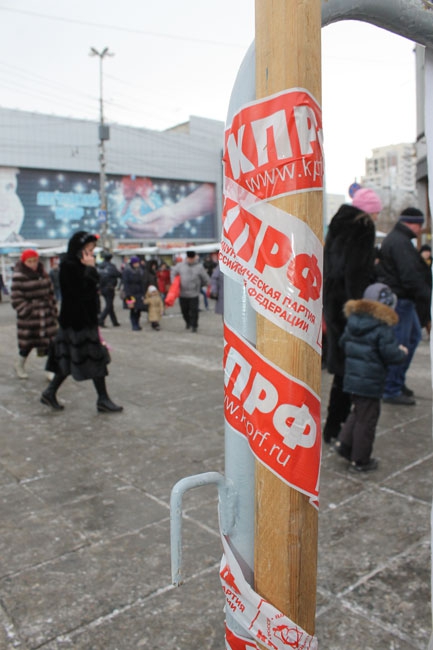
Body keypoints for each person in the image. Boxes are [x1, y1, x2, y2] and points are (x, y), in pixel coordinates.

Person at [322, 187, 383, 443]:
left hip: (332, 304)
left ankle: (333, 426)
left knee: (342, 369)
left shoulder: (337, 226)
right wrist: (361, 310)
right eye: (376, 211)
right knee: (351, 370)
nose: (378, 216)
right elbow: (355, 274)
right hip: (349, 307)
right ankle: (338, 427)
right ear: (368, 211)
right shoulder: (363, 228)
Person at [41, 231, 123, 413]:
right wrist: (90, 268)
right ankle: (102, 399)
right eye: (88, 249)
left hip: (83, 320)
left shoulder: (80, 265)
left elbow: (96, 285)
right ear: (79, 249)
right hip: (77, 322)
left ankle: (50, 392)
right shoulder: (69, 266)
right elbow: (79, 293)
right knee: (94, 358)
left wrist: (90, 269)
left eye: (92, 249)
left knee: (71, 359)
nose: (91, 253)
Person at [334, 283, 408, 472]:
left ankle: (345, 445)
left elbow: (343, 343)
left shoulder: (354, 321)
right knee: (367, 420)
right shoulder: (381, 327)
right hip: (370, 381)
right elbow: (390, 354)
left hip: (352, 378)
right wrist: (401, 352)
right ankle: (360, 460)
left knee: (358, 412)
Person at [376, 207, 431, 405]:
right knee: (402, 343)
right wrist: (425, 294)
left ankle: (396, 382)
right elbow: (409, 274)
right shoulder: (400, 242)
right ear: (412, 223)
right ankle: (392, 388)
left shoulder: (398, 240)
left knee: (411, 338)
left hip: (402, 299)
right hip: (402, 300)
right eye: (419, 224)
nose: (420, 229)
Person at [11, 249, 58, 380]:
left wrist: (53, 309)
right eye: (29, 261)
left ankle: (49, 370)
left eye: (35, 261)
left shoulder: (44, 274)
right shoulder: (19, 276)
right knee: (27, 344)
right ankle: (19, 364)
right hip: (30, 318)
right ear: (24, 262)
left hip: (46, 315)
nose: (33, 264)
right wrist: (28, 310)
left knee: (49, 343)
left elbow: (50, 293)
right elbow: (16, 299)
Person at [171, 250, 209, 332]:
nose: (191, 260)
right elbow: (173, 272)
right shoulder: (180, 265)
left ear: (194, 258)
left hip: (194, 294)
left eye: (192, 258)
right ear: (187, 258)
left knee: (194, 311)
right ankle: (188, 322)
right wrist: (174, 283)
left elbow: (205, 278)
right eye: (189, 258)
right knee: (184, 311)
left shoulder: (199, 267)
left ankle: (194, 326)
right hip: (182, 294)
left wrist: (203, 285)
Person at [122, 256, 148, 331]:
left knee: (139, 309)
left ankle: (137, 323)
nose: (138, 264)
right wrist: (128, 295)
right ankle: (134, 325)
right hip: (130, 293)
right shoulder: (127, 271)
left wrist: (143, 293)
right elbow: (126, 284)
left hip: (139, 293)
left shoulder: (140, 270)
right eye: (136, 263)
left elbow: (142, 282)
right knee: (133, 309)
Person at [97, 252, 121, 327]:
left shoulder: (99, 266)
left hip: (102, 287)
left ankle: (114, 321)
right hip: (109, 288)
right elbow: (118, 274)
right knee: (109, 305)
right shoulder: (111, 266)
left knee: (109, 304)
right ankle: (101, 320)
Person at [418, 244, 432, 339]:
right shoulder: (418, 263)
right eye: (425, 252)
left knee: (428, 315)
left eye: (428, 252)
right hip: (420, 292)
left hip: (429, 291)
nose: (427, 254)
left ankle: (429, 333)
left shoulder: (431, 262)